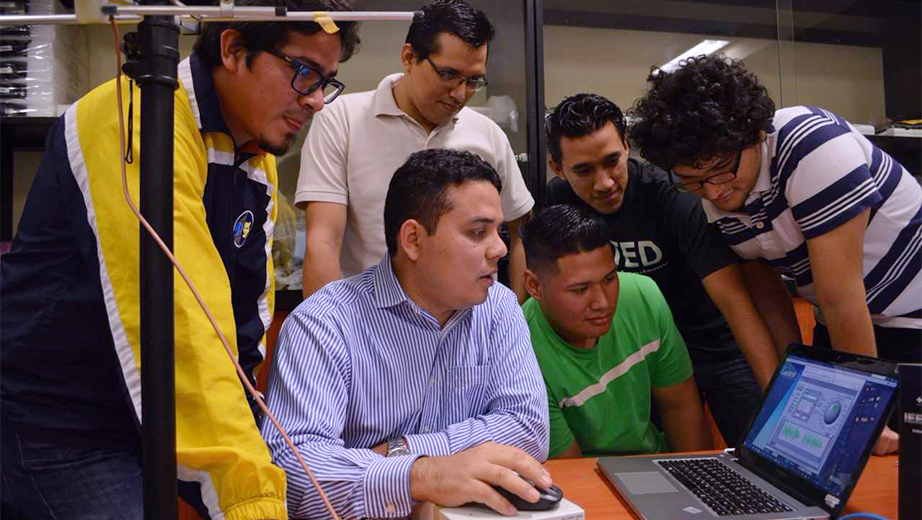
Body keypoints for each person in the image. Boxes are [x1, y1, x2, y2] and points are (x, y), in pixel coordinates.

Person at [0, 1, 360, 518]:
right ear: (234, 49)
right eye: (304, 73)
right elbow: (182, 324)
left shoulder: (254, 156)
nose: (319, 100)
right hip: (56, 422)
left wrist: (260, 455)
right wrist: (251, 498)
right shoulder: (136, 119)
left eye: (328, 80)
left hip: (141, 419)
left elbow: (239, 327)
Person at [628, 54, 921, 455]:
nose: (713, 193)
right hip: (846, 323)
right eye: (692, 181)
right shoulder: (718, 186)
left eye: (721, 170)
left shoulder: (812, 144)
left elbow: (840, 295)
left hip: (910, 319)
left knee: (892, 464)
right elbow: (766, 293)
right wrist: (784, 390)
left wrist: (862, 414)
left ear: (755, 134)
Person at [262, 149, 550, 519]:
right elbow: (295, 473)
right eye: (478, 232)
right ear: (413, 239)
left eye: (500, 231)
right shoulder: (325, 322)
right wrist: (421, 475)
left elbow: (528, 428)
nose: (500, 248)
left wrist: (398, 452)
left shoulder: (499, 307)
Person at [544, 93, 779, 446]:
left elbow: (734, 302)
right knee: (655, 462)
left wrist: (779, 400)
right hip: (638, 351)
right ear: (557, 167)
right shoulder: (557, 203)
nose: (605, 182)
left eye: (612, 161)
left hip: (712, 344)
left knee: (762, 445)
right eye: (584, 170)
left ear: (627, 145)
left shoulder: (672, 197)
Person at [296, 0, 534, 301]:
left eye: (473, 81)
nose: (460, 94)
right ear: (409, 56)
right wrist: (326, 333)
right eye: (447, 75)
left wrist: (516, 320)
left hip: (468, 326)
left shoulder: (488, 135)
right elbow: (324, 241)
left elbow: (521, 233)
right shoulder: (341, 120)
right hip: (368, 324)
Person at [521, 204, 713, 458]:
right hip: (586, 482)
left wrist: (698, 485)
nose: (603, 302)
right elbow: (567, 472)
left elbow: (680, 407)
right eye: (580, 290)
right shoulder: (521, 353)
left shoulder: (643, 296)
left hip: (654, 466)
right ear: (534, 285)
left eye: (610, 278)